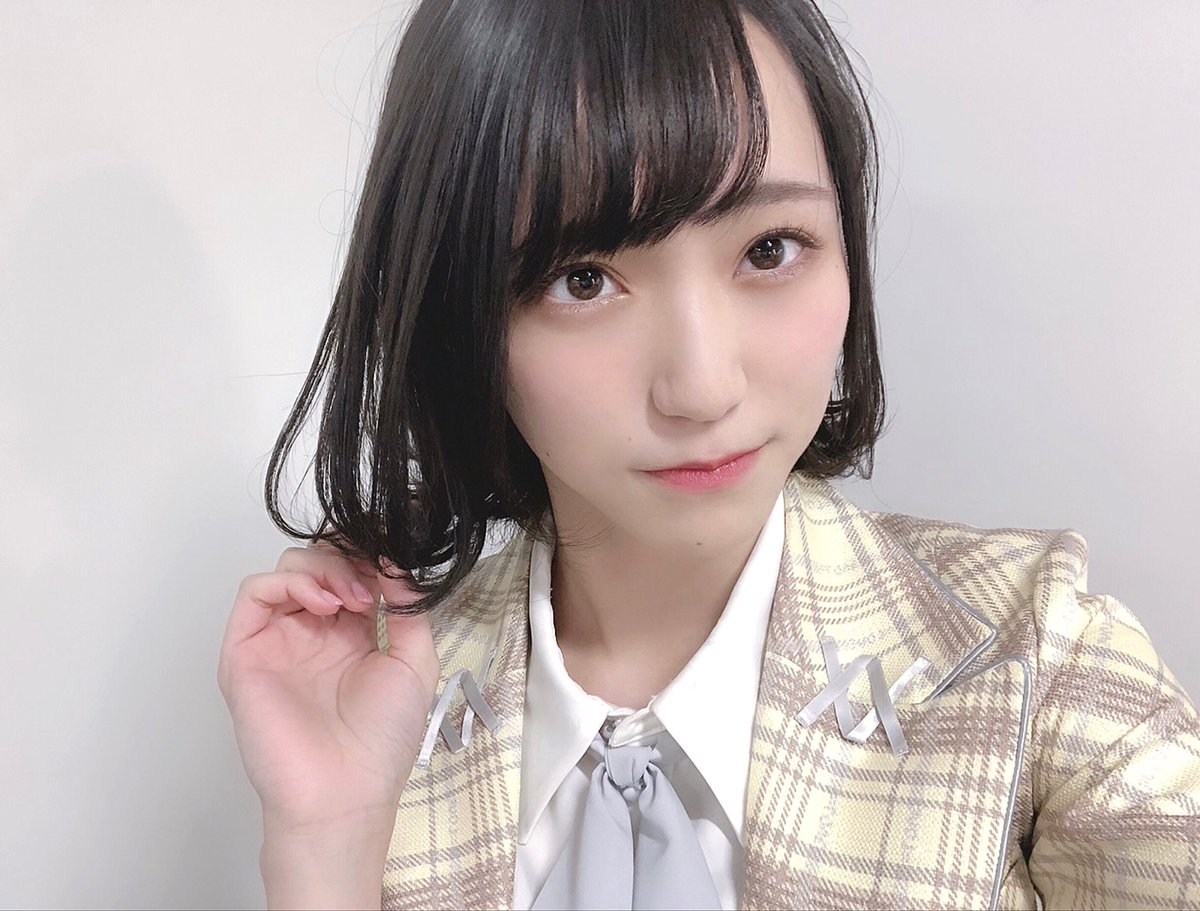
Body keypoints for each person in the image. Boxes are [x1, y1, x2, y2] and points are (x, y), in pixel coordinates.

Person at [216, 1, 1200, 909]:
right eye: (582, 278)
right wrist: (326, 845)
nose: (701, 386)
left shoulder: (1040, 658)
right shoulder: (380, 706)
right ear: (458, 313)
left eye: (769, 248)